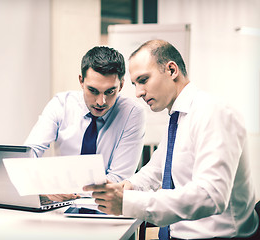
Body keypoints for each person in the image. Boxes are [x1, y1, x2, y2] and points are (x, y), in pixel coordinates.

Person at [84, 39, 259, 239]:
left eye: (143, 80)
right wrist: (127, 187)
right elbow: (156, 170)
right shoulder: (178, 117)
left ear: (172, 70)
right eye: (134, 84)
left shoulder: (213, 113)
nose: (138, 92)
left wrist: (127, 202)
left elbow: (211, 196)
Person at [24, 46, 145, 201]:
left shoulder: (132, 114)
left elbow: (118, 179)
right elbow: (29, 153)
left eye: (110, 92)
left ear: (121, 85)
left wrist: (68, 190)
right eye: (93, 91)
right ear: (81, 81)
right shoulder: (61, 104)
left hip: (106, 208)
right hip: (61, 206)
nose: (101, 102)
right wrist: (43, 186)